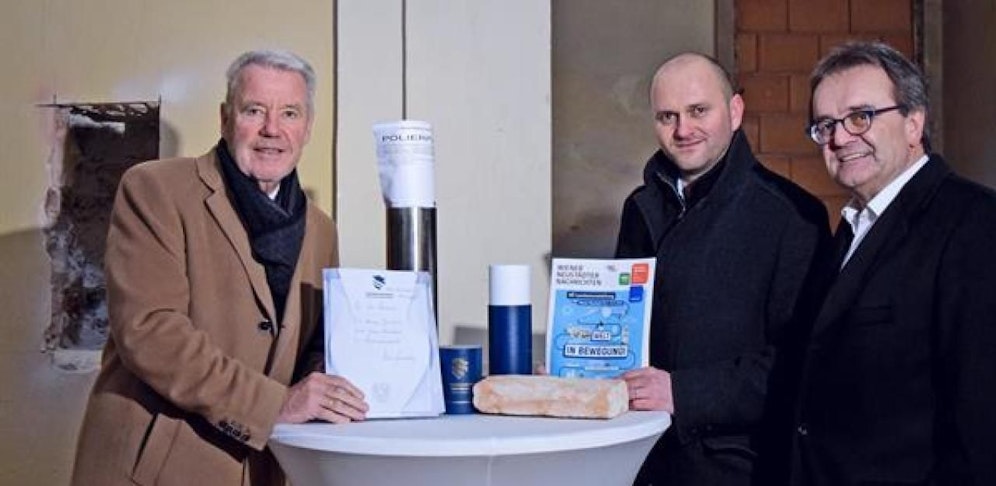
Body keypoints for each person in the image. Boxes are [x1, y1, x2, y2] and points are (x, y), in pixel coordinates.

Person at [71, 49, 369, 486]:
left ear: (307, 128)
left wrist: (333, 379)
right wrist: (275, 406)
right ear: (225, 118)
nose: (272, 129)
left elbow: (316, 343)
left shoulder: (320, 229)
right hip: (155, 470)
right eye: (255, 110)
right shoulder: (155, 189)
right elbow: (151, 332)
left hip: (265, 468)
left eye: (289, 112)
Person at [616, 52, 831, 485]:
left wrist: (684, 392)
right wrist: (577, 370)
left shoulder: (791, 217)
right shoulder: (639, 208)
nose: (682, 130)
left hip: (735, 467)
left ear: (735, 111)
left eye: (698, 111)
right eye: (667, 116)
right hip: (636, 460)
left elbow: (801, 363)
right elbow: (622, 328)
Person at [791, 41, 996, 485]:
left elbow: (982, 424)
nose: (840, 138)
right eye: (825, 125)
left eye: (861, 116)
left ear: (913, 123)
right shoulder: (848, 229)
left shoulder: (974, 224)